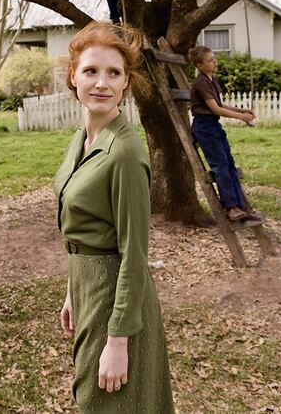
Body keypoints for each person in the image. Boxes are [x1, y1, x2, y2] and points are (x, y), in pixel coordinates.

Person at [54, 21, 175, 412]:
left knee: (103, 402)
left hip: (116, 297)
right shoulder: (82, 139)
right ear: (74, 76)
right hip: (88, 285)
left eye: (114, 73)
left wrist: (118, 340)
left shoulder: (124, 153)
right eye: (91, 71)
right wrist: (74, 290)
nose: (101, 83)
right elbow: (87, 227)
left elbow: (134, 253)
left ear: (126, 82)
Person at [189, 45, 263, 222]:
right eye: (210, 60)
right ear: (199, 65)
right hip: (204, 127)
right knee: (220, 166)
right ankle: (231, 208)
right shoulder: (200, 83)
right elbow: (215, 109)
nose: (215, 62)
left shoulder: (212, 80)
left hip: (214, 126)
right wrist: (242, 118)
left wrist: (241, 109)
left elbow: (220, 105)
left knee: (230, 165)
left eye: (215, 58)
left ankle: (241, 206)